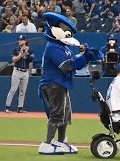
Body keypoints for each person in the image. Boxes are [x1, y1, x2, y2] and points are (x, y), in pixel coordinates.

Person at [38, 12, 96, 155]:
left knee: (65, 115)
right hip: (52, 83)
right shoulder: (53, 46)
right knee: (57, 114)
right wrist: (84, 59)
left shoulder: (63, 47)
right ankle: (47, 143)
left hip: (62, 83)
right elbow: (66, 66)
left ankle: (61, 141)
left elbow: (72, 59)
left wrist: (84, 55)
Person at [5, 35, 34, 113]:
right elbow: (14, 60)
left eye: (21, 40)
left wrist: (26, 53)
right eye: (19, 40)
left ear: (25, 41)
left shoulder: (29, 50)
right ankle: (7, 107)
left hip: (25, 72)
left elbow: (31, 60)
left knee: (22, 91)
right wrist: (21, 54)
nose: (20, 41)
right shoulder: (16, 49)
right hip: (17, 71)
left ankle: (20, 108)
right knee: (13, 89)